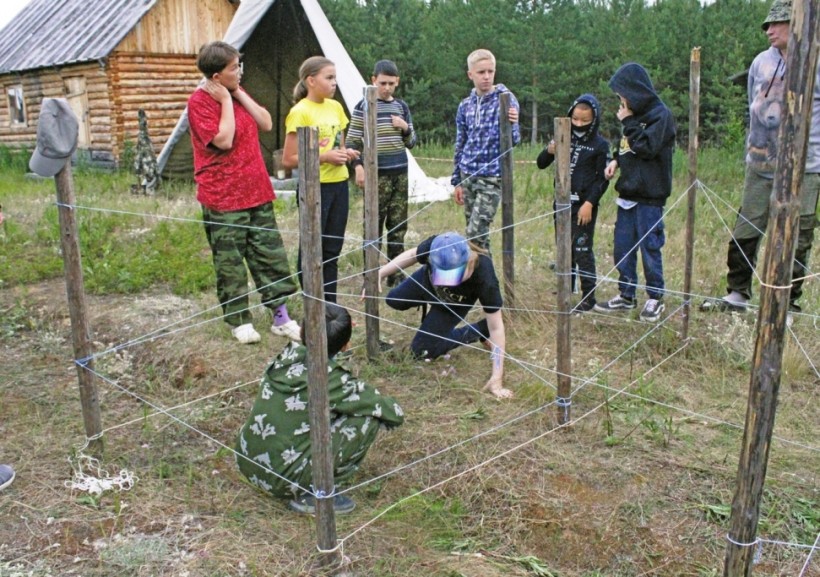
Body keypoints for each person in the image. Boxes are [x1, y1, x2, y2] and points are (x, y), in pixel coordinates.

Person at [702, 0, 819, 315]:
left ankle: (787, 301)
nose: (769, 30)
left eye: (777, 23)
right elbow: (753, 103)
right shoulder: (760, 62)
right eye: (767, 25)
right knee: (746, 228)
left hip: (805, 165)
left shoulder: (815, 60)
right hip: (761, 163)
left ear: (796, 23)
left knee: (799, 234)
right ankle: (737, 293)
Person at [235, 303, 404, 514]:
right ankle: (315, 492)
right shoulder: (334, 379)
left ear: (302, 333)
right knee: (367, 420)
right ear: (346, 345)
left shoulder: (284, 357)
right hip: (281, 483)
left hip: (245, 462)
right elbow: (394, 413)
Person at [187, 41, 300, 345]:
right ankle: (239, 321)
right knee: (231, 262)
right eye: (234, 68)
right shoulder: (199, 103)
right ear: (216, 76)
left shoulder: (236, 92)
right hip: (223, 196)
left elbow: (266, 122)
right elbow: (223, 140)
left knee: (270, 256)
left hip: (256, 190)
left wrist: (236, 93)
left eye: (239, 65)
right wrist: (225, 100)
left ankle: (281, 318)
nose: (240, 71)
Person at [377, 231, 513, 399]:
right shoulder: (439, 245)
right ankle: (431, 316)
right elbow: (412, 255)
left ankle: (479, 330)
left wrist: (497, 379)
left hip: (452, 305)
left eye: (453, 276)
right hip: (426, 284)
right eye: (442, 274)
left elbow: (497, 327)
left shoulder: (485, 277)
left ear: (468, 263)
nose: (446, 282)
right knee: (393, 300)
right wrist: (381, 273)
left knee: (421, 351)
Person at [594, 63, 676, 322]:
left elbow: (647, 148)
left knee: (650, 248)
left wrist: (628, 121)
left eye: (622, 94)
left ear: (635, 90)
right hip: (627, 194)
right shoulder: (632, 114)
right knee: (623, 248)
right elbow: (628, 146)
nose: (621, 100)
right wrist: (616, 160)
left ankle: (655, 297)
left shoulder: (660, 115)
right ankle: (626, 294)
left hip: (650, 196)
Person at [283, 56, 360, 304]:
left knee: (332, 248)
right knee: (312, 247)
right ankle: (312, 303)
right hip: (314, 188)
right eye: (329, 77)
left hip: (339, 185)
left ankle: (330, 306)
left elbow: (339, 145)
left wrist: (346, 153)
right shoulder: (300, 112)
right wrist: (324, 157)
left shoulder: (335, 107)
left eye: (335, 77)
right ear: (311, 81)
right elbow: (289, 159)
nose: (334, 82)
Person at [346, 60, 418, 287]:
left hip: (400, 172)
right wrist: (358, 167)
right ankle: (370, 275)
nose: (387, 88)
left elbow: (412, 142)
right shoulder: (364, 106)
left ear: (397, 82)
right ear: (373, 80)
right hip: (376, 175)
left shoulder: (401, 107)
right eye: (383, 83)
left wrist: (404, 127)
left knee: (398, 226)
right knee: (373, 225)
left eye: (391, 84)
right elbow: (352, 141)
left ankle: (395, 275)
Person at [537, 94, 611, 312]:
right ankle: (566, 288)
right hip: (562, 203)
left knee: (582, 249)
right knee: (564, 247)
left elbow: (602, 179)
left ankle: (589, 298)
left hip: (584, 206)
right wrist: (549, 151)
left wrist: (590, 203)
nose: (578, 124)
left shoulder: (600, 145)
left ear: (594, 120)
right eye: (575, 119)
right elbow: (541, 163)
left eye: (584, 121)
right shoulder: (563, 136)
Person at [452, 49, 521, 250]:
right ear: (470, 74)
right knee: (478, 237)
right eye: (481, 72)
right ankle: (483, 270)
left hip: (492, 176)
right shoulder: (465, 106)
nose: (486, 77)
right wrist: (457, 180)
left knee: (475, 233)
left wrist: (513, 124)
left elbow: (514, 140)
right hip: (468, 174)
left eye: (490, 71)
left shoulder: (505, 99)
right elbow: (460, 143)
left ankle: (478, 269)